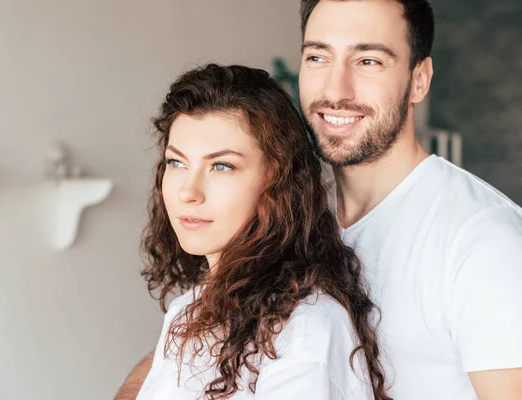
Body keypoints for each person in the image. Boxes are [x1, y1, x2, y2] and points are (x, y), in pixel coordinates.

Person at [121, 64, 391, 399]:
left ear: (277, 182)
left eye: (222, 166)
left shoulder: (305, 329)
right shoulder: (188, 310)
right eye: (177, 163)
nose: (188, 192)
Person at [298, 0, 522, 399]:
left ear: (419, 80)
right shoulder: (294, 217)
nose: (335, 90)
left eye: (367, 61)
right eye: (318, 56)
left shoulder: (484, 237)